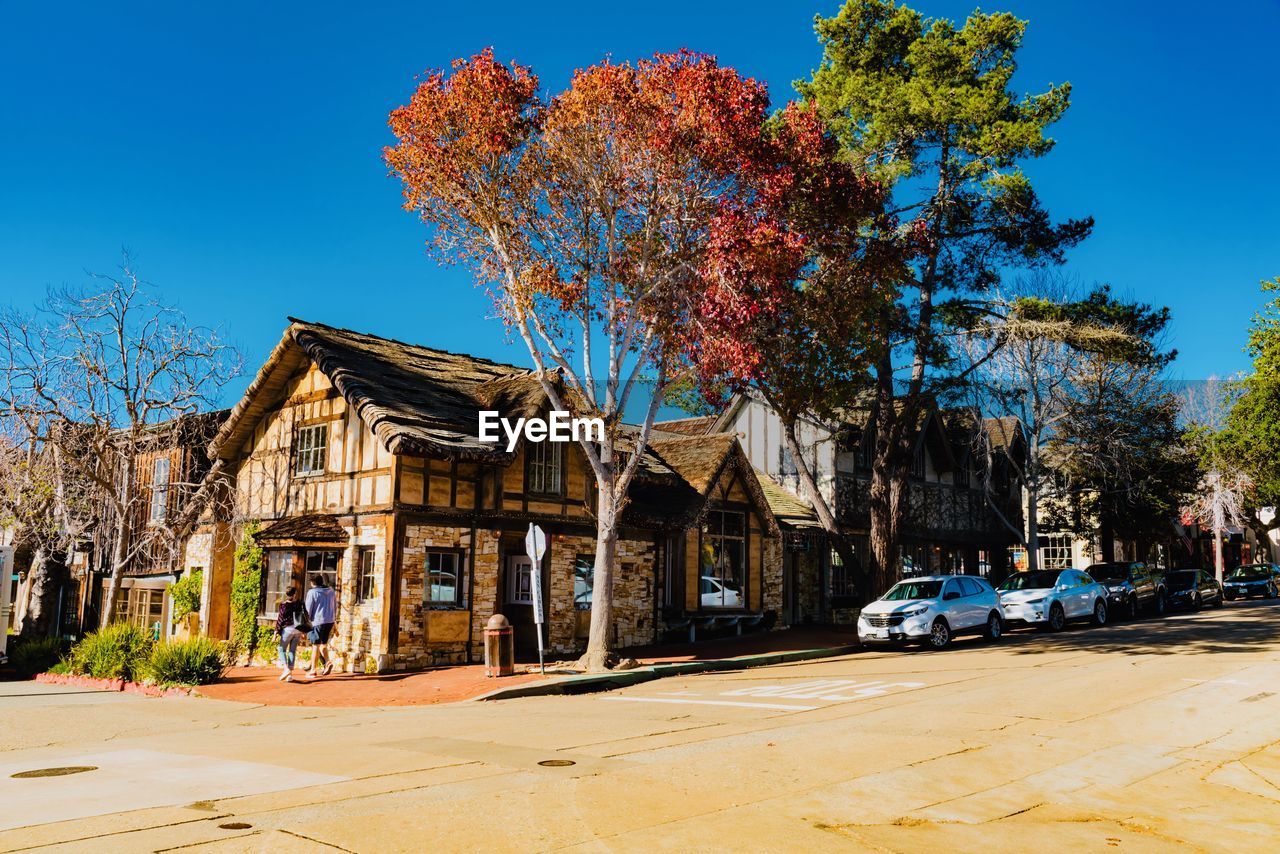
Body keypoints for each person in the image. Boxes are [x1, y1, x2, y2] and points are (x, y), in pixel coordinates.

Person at [304, 573, 337, 678]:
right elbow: (335, 606)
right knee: (323, 644)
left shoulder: (312, 592)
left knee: (315, 645)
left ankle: (313, 670)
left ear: (313, 582)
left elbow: (308, 610)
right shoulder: (331, 591)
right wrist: (334, 621)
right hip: (329, 620)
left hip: (317, 621)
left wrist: (305, 625)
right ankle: (328, 662)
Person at [276, 586, 306, 682]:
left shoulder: (283, 605)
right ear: (294, 594)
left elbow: (280, 619)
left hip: (288, 630)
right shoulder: (300, 604)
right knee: (292, 651)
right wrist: (304, 631)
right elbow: (304, 616)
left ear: (286, 594)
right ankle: (290, 676)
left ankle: (286, 669)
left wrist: (276, 632)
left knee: (281, 649)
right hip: (297, 630)